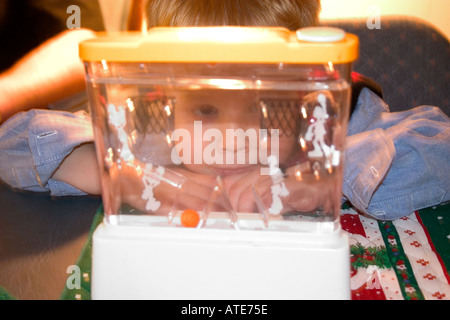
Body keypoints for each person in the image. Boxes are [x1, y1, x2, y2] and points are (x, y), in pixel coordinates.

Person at [0, 0, 449, 221]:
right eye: (208, 108)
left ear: (309, 83)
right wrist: (109, 170)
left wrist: (324, 177)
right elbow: (14, 141)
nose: (234, 140)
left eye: (265, 106)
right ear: (166, 91)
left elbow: (439, 143)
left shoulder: (334, 114)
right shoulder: (150, 123)